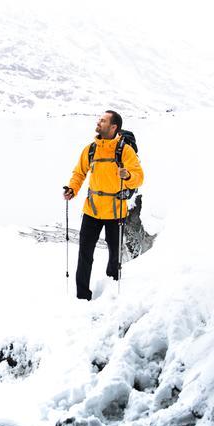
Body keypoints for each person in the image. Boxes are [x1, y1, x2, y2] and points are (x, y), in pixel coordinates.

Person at [63, 109, 144, 300]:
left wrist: (128, 176)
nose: (98, 123)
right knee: (84, 254)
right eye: (99, 119)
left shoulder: (125, 150)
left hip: (115, 211)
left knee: (114, 255)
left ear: (113, 126)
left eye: (103, 120)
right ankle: (82, 297)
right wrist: (72, 190)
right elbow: (79, 173)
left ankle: (111, 290)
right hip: (92, 210)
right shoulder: (91, 149)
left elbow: (139, 177)